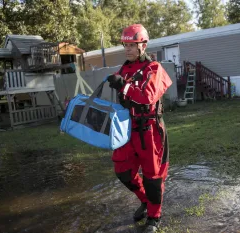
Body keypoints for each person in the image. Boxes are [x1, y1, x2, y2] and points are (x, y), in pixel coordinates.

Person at [106, 24, 173, 233]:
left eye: (132, 45)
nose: (127, 49)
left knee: (153, 177)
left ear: (143, 45)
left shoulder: (155, 69)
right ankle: (145, 200)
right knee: (123, 171)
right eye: (125, 45)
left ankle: (154, 217)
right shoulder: (124, 69)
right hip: (128, 130)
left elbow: (147, 96)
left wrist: (123, 85)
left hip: (150, 130)